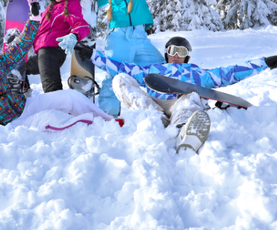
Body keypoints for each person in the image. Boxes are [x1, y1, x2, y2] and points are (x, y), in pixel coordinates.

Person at [0, 0, 113, 137]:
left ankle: (110, 122)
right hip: (6, 123)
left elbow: (21, 46)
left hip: (23, 106)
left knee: (71, 97)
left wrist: (34, 19)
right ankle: (86, 127)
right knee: (50, 119)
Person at [75, 36, 277, 153]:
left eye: (182, 52)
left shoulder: (198, 73)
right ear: (166, 53)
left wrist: (265, 63)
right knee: (120, 79)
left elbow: (230, 72)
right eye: (173, 50)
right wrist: (93, 55)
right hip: (154, 104)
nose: (177, 55)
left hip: (180, 103)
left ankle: (184, 131)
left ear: (187, 56)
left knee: (191, 96)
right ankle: (156, 121)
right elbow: (121, 67)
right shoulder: (153, 69)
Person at [82, 0, 171, 117]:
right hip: (118, 37)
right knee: (114, 74)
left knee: (159, 69)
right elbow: (95, 3)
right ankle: (108, 114)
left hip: (139, 36)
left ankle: (165, 105)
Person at [25, 0, 91, 93]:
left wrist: (74, 35)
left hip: (52, 52)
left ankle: (58, 110)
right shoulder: (49, 9)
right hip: (42, 53)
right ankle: (24, 96)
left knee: (51, 91)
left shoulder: (69, 4)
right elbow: (40, 30)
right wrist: (34, 15)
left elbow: (82, 25)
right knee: (18, 67)